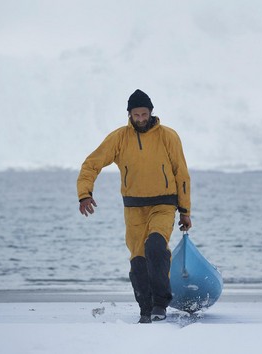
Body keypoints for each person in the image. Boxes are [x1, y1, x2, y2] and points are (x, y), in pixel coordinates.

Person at [77, 89, 192, 323]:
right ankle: (145, 309)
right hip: (133, 208)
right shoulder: (119, 138)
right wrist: (84, 194)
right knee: (138, 259)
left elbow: (182, 175)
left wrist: (185, 210)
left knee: (156, 247)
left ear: (151, 112)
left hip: (164, 203)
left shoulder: (168, 136)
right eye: (136, 115)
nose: (140, 119)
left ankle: (160, 303)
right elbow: (92, 164)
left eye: (144, 114)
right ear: (129, 115)